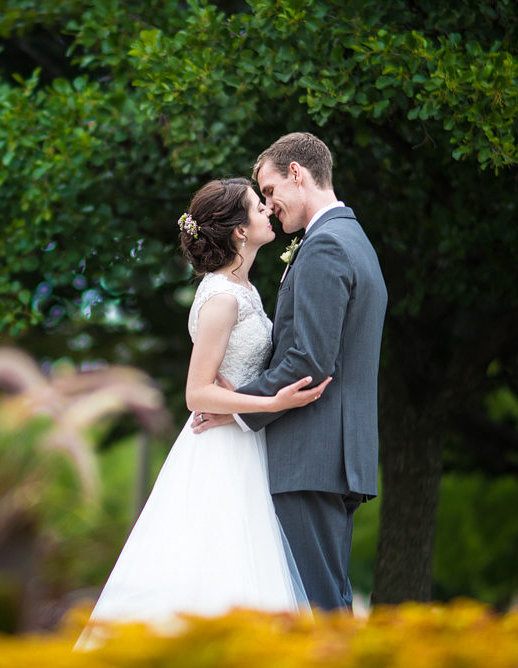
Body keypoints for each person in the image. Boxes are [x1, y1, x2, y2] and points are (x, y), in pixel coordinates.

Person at [75, 177, 329, 649]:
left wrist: (246, 403)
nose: (269, 211)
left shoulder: (243, 289)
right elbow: (197, 393)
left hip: (242, 440)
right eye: (258, 207)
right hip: (221, 451)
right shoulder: (221, 298)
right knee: (219, 563)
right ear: (239, 231)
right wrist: (270, 403)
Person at [192, 132, 387, 611]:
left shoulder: (325, 246)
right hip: (333, 455)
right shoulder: (351, 238)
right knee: (325, 603)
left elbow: (309, 361)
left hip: (312, 455)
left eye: (271, 190)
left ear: (297, 173)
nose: (270, 204)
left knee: (322, 610)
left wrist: (240, 411)